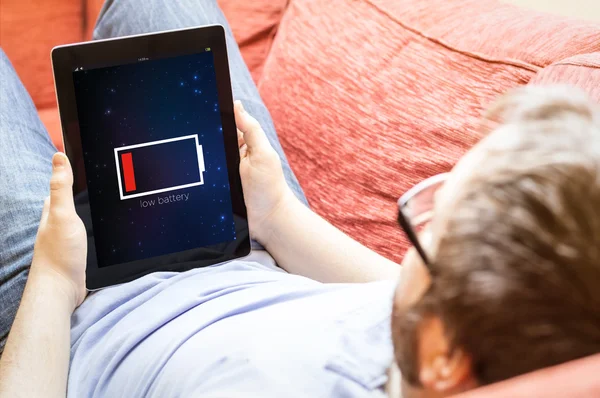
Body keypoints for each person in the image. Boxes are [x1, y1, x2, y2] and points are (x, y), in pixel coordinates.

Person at [0, 1, 599, 398]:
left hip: (75, 314)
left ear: (445, 356)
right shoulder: (460, 327)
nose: (421, 207)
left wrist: (53, 274)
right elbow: (393, 291)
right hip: (250, 242)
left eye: (432, 223)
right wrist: (276, 214)